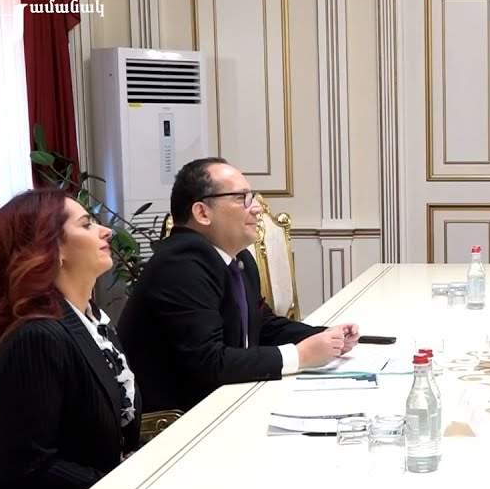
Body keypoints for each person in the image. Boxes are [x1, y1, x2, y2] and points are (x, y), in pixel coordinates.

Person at [0, 189, 143, 489]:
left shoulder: (92, 321)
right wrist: (127, 485)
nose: (106, 231)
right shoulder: (36, 339)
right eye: (86, 225)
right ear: (52, 248)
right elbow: (33, 470)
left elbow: (119, 434)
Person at [119, 158, 359, 413]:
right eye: (241, 198)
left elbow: (262, 325)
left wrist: (324, 337)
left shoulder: (237, 258)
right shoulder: (180, 264)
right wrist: (300, 356)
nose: (256, 208)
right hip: (180, 420)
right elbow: (209, 362)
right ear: (202, 213)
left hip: (226, 400)